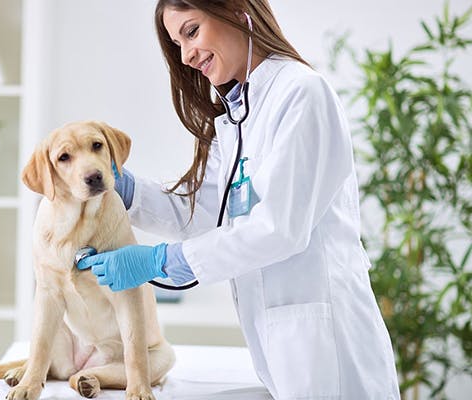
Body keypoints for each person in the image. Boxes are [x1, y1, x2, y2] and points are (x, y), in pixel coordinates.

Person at [77, 1, 401, 399]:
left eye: (191, 31)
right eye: (177, 42)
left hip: (330, 350)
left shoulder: (301, 93)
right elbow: (204, 214)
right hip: (284, 352)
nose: (186, 55)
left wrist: (161, 262)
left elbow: (277, 229)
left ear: (234, 10)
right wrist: (127, 190)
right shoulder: (235, 118)